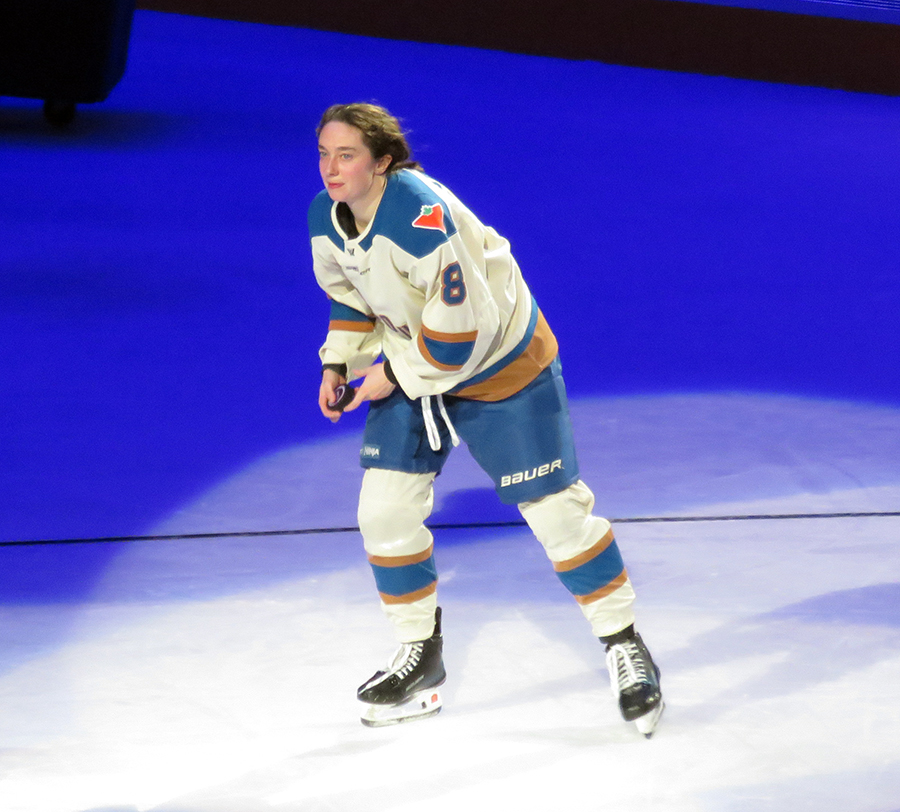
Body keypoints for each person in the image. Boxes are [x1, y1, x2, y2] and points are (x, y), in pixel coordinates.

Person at [308, 102, 664, 736]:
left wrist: (386, 376)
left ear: (383, 162)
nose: (332, 169)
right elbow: (353, 296)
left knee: (558, 513)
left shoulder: (422, 223)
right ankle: (422, 656)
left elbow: (456, 339)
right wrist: (339, 363)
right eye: (325, 154)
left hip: (501, 367)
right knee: (384, 513)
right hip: (413, 361)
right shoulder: (326, 219)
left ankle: (624, 643)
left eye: (348, 155)